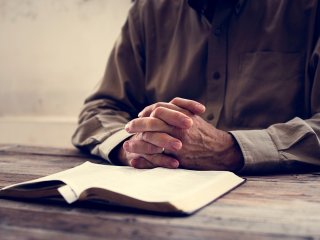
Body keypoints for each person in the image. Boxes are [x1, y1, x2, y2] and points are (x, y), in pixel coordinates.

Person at [72, 0, 320, 173]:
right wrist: (132, 147)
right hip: (157, 198)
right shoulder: (148, 10)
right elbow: (99, 110)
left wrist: (230, 150)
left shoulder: (310, 9)